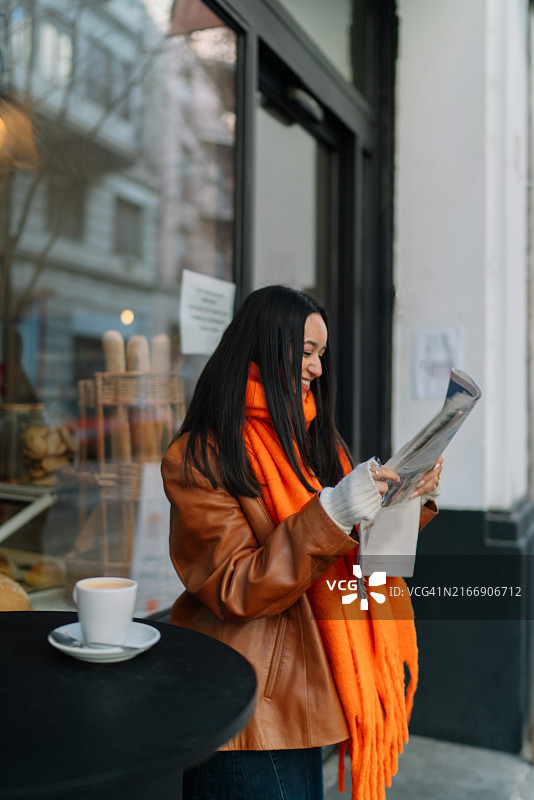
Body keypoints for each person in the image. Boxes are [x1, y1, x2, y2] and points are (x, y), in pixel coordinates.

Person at [161, 285, 441, 800]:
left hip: (314, 692)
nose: (316, 368)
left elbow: (371, 562)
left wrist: (406, 501)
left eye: (321, 354)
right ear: (265, 346)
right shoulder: (200, 456)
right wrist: (333, 512)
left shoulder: (316, 441)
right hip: (248, 710)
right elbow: (236, 587)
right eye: (306, 351)